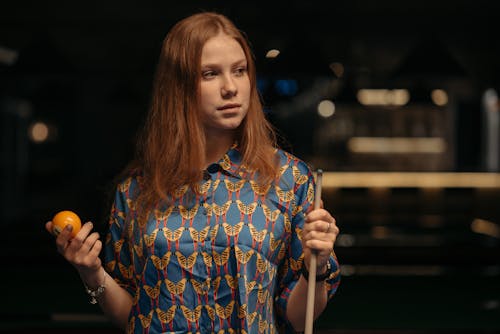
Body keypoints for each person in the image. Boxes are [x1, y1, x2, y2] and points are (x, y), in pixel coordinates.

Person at [46, 11, 340, 333]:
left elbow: (298, 319)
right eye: (210, 74)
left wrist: (317, 265)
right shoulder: (136, 190)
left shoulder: (289, 179)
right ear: (179, 87)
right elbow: (133, 316)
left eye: (240, 71)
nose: (231, 88)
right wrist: (92, 273)